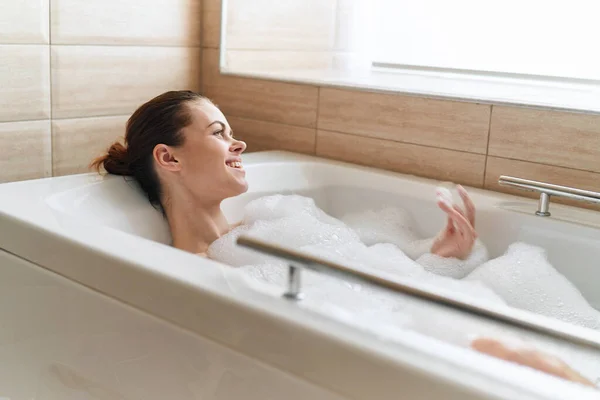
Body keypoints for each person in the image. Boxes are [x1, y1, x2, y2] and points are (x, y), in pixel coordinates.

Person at [91, 90, 596, 388]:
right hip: (392, 358)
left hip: (415, 329)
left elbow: (378, 291)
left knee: (525, 357)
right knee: (522, 360)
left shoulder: (274, 225)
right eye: (219, 132)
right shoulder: (197, 268)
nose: (238, 142)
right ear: (169, 158)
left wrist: (438, 262)